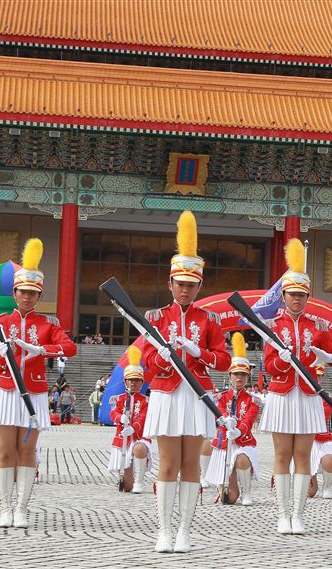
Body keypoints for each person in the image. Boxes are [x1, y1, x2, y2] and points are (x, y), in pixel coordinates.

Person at [140, 211, 232, 553]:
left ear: (199, 287)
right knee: (167, 463)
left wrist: (199, 352)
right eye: (180, 284)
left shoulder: (210, 319)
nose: (185, 289)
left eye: (191, 285)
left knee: (191, 463)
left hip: (197, 395)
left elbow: (224, 360)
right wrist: (161, 357)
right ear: (170, 284)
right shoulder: (155, 318)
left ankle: (184, 530)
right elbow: (147, 364)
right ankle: (164, 529)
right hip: (166, 394)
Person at [0, 238, 77, 529]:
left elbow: (69, 348)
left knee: (27, 451)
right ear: (14, 293)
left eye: (33, 293)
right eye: (22, 292)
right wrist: (1, 352)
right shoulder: (1, 323)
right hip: (5, 391)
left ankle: (21, 508)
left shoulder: (48, 325)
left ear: (39, 296)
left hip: (33, 393)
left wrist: (41, 349)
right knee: (5, 451)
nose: (27, 297)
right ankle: (5, 508)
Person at [260, 238, 332, 535]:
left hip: (309, 395)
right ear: (283, 296)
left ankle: (298, 514)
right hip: (282, 395)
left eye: (301, 295)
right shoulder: (273, 326)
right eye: (292, 294)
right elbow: (269, 367)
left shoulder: (318, 327)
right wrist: (282, 360)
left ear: (308, 296)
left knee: (303, 455)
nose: (297, 299)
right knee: (282, 454)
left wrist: (328, 357)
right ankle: (282, 514)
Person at [203, 333, 260, 506]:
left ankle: (247, 492)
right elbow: (219, 413)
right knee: (228, 499)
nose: (239, 378)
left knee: (242, 458)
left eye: (243, 374)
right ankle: (222, 484)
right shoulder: (220, 397)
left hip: (243, 442)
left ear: (248, 377)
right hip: (224, 442)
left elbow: (249, 419)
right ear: (230, 375)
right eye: (236, 374)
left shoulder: (253, 400)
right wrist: (226, 422)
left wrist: (238, 431)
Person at [108, 346, 151, 493]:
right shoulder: (118, 399)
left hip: (139, 437)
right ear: (125, 381)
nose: (134, 383)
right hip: (123, 439)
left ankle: (140, 481)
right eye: (131, 380)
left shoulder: (146, 401)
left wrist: (134, 427)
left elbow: (144, 416)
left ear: (142, 382)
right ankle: (129, 480)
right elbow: (113, 413)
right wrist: (120, 417)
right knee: (126, 487)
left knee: (139, 448)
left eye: (137, 380)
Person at [308, 367, 332, 500]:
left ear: (322, 377)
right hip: (306, 439)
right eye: (314, 375)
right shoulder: (300, 396)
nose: (316, 378)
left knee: (329, 460)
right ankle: (310, 479)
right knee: (311, 492)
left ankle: (327, 485)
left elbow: (325, 414)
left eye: (319, 375)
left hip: (323, 438)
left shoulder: (327, 397)